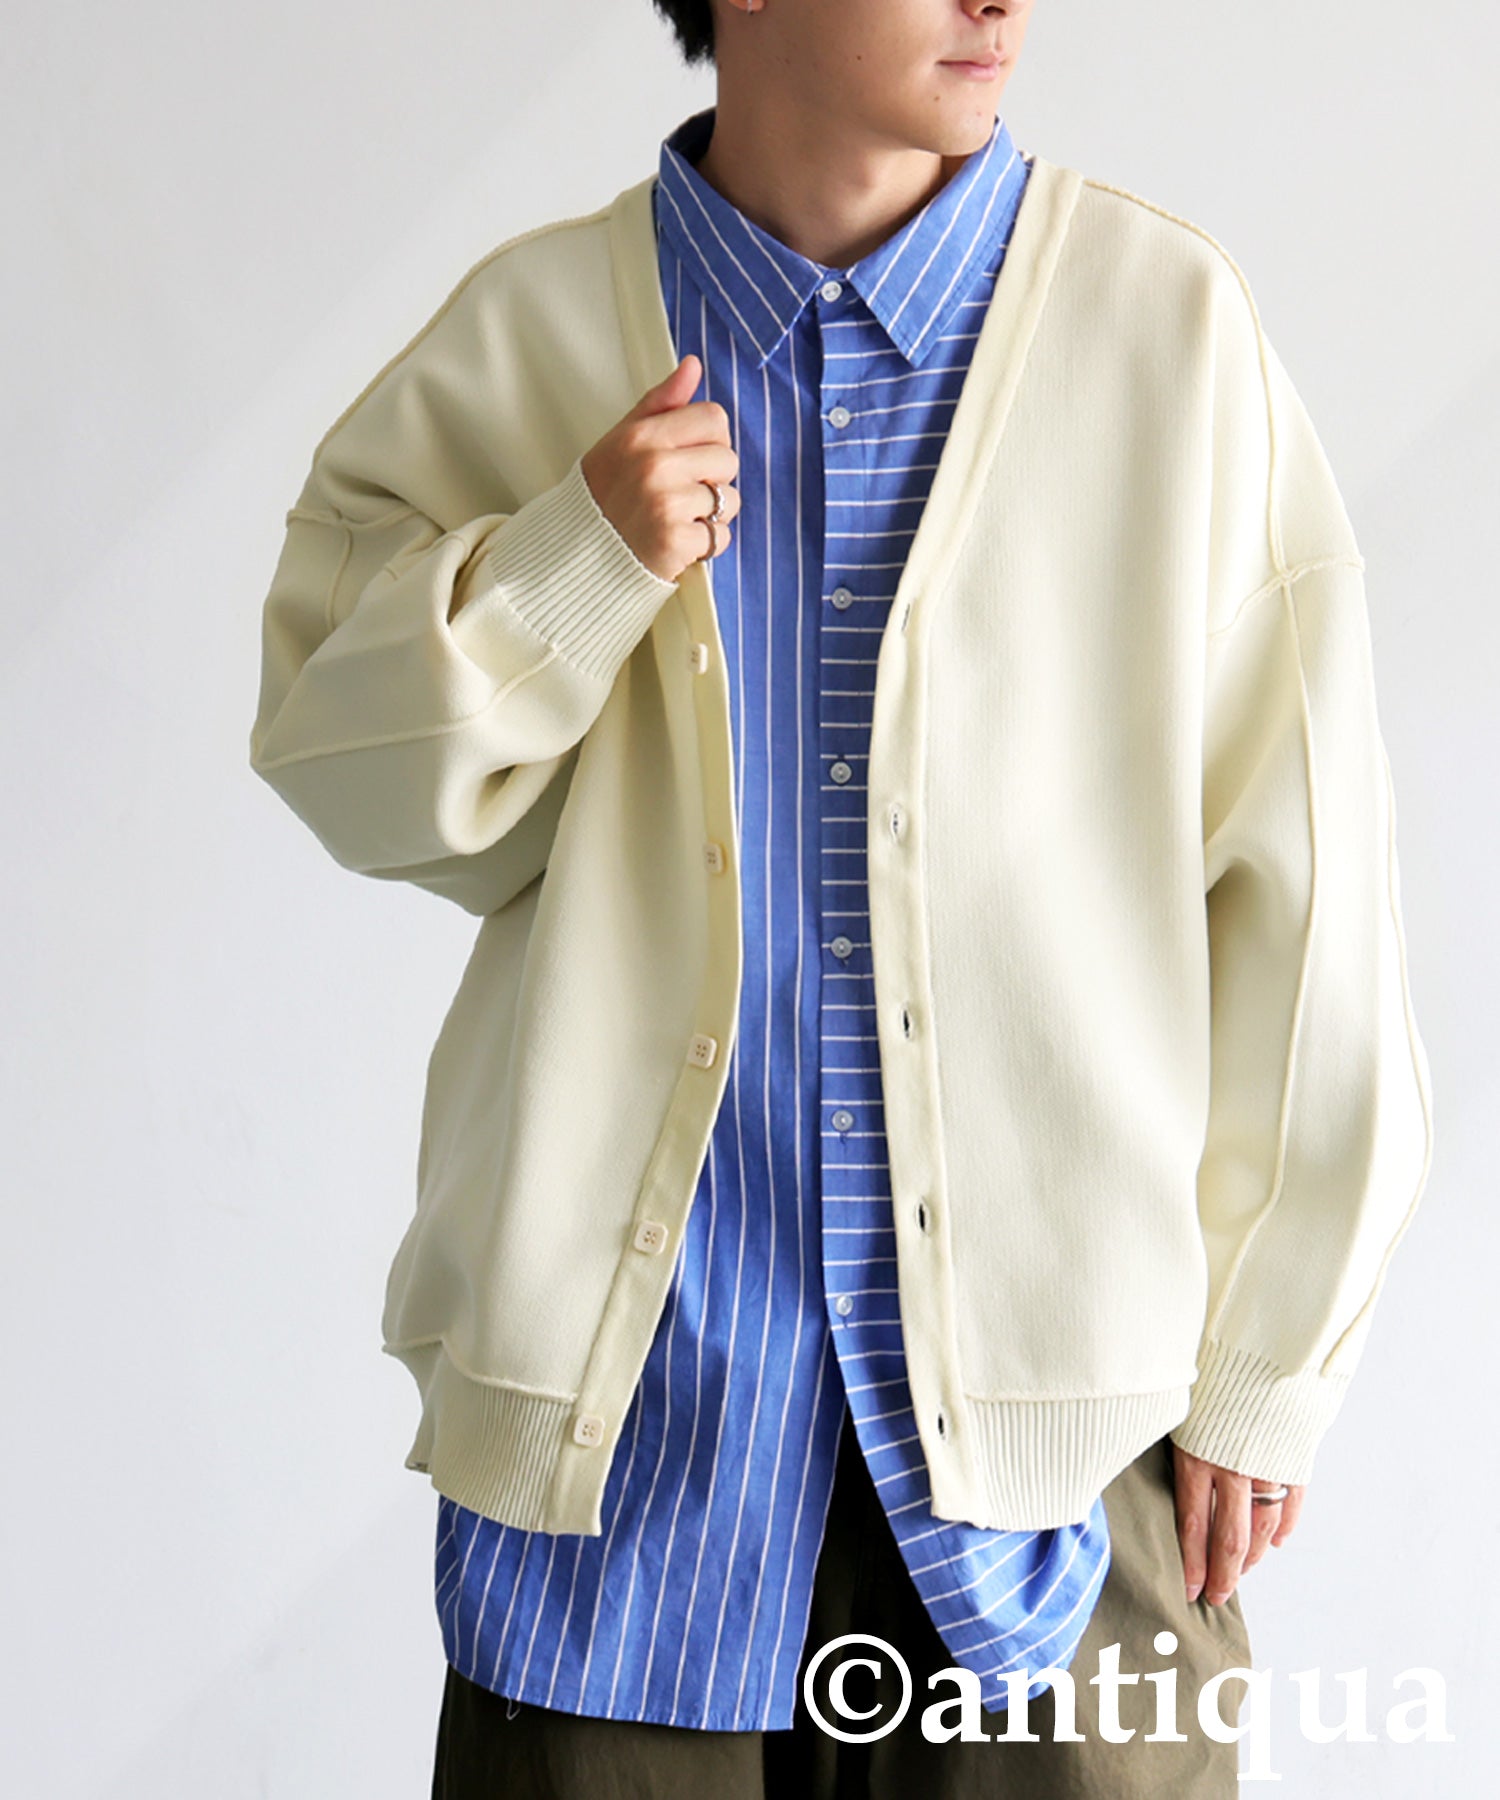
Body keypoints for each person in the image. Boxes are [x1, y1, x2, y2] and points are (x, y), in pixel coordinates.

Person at [247, 1, 1435, 1793]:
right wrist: (573, 566)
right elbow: (345, 772)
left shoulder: (1164, 331)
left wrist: (1274, 1359)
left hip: (1060, 1495)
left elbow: (1314, 880)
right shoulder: (530, 336)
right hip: (623, 1499)